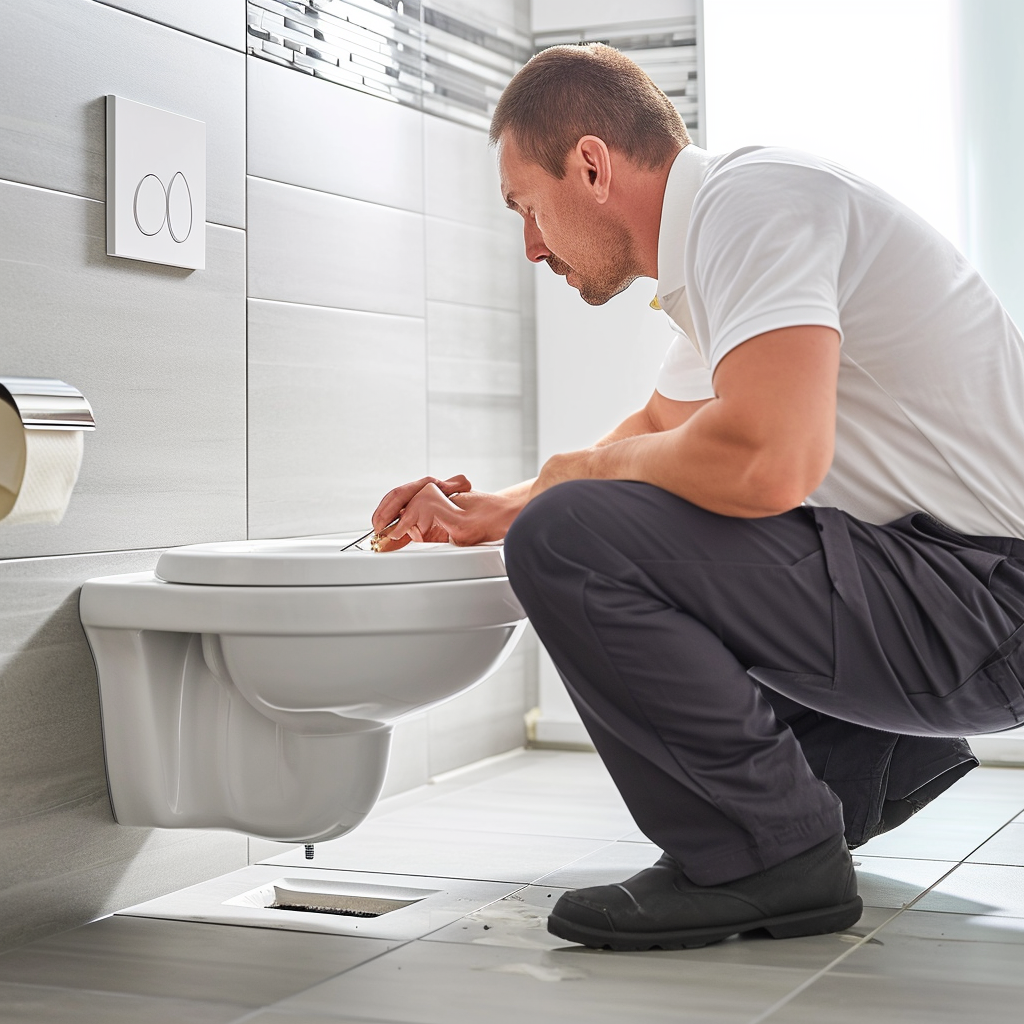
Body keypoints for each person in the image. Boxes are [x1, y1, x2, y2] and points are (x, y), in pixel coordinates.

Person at [370, 43, 1024, 951]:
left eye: (526, 206)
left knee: (576, 536)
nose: (529, 245)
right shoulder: (722, 242)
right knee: (589, 516)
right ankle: (847, 775)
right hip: (967, 593)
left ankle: (767, 857)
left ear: (591, 165)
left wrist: (563, 492)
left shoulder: (752, 206)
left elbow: (768, 461)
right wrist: (496, 506)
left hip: (992, 604)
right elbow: (657, 424)